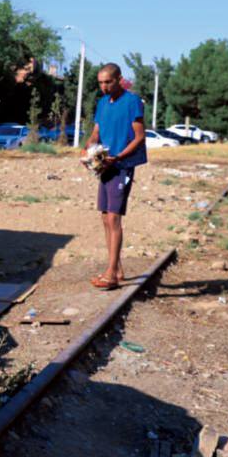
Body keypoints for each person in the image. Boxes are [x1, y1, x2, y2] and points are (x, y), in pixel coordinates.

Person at [82, 63, 147, 290]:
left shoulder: (132, 102)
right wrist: (88, 149)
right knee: (104, 217)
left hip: (122, 166)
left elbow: (139, 137)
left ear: (119, 79)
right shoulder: (102, 103)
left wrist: (118, 157)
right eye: (100, 83)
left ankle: (110, 275)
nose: (104, 86)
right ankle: (116, 269)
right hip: (105, 167)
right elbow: (96, 133)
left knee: (113, 218)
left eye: (108, 82)